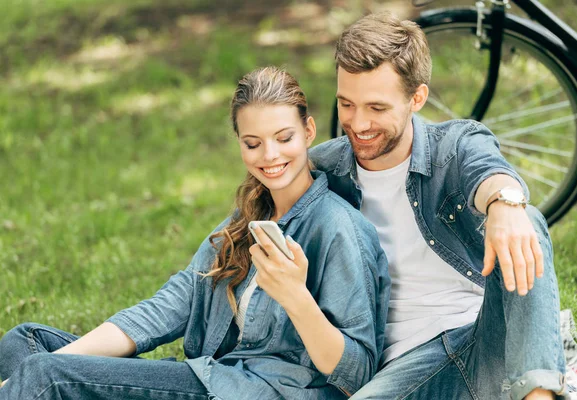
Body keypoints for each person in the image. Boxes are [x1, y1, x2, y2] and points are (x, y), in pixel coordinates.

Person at [0, 67, 390, 400]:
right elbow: (168, 307)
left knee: (44, 376)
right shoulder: (248, 217)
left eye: (283, 138)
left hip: (254, 390)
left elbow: (355, 374)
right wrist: (57, 361)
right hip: (212, 377)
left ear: (308, 131)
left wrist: (296, 298)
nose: (269, 156)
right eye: (253, 143)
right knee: (27, 344)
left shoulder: (339, 228)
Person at [309, 11, 567, 400]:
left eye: (377, 108)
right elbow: (240, 228)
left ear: (417, 98)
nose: (358, 123)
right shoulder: (324, 169)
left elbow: (489, 169)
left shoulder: (453, 145)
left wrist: (504, 203)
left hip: (482, 343)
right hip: (394, 367)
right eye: (347, 104)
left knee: (524, 218)